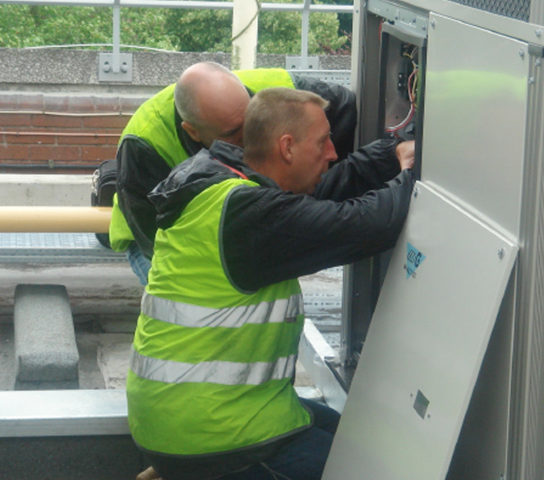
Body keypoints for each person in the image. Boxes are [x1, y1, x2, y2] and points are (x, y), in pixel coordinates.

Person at [126, 87, 415, 480]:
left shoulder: (220, 180)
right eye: (324, 141)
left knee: (355, 436)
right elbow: (367, 225)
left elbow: (328, 190)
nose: (333, 152)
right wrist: (413, 174)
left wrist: (392, 150)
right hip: (213, 433)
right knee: (366, 468)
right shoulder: (248, 214)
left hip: (187, 414)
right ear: (287, 148)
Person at [111, 62, 357, 285]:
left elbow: (346, 109)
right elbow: (156, 243)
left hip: (232, 221)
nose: (248, 137)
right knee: (190, 292)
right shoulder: (144, 144)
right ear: (193, 132)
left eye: (251, 121)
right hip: (156, 232)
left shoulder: (280, 93)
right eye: (231, 133)